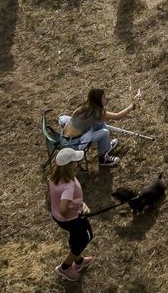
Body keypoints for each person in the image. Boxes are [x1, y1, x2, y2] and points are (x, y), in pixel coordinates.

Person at [62, 88, 142, 166]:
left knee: (100, 123)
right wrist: (132, 105)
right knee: (104, 133)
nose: (106, 98)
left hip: (64, 139)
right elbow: (117, 116)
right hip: (73, 144)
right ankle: (102, 158)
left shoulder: (84, 107)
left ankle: (106, 146)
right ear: (97, 99)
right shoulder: (96, 112)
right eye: (103, 97)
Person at [48, 147, 95, 281]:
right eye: (75, 161)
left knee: (76, 238)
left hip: (59, 217)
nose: (77, 163)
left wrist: (79, 204)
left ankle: (79, 261)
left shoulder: (55, 177)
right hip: (72, 219)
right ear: (69, 165)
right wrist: (76, 209)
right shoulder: (69, 185)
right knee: (86, 237)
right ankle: (65, 267)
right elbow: (63, 209)